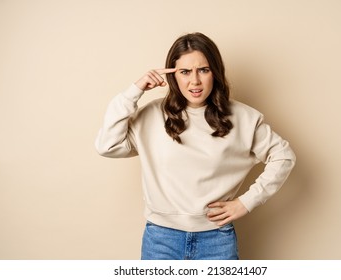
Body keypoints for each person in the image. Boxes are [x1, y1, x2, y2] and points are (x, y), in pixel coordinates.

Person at [95, 32, 296, 260]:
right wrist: (135, 90)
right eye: (185, 72)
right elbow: (107, 145)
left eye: (203, 70)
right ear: (173, 75)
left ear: (216, 72)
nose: (195, 81)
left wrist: (246, 202)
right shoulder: (151, 115)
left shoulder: (243, 117)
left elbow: (283, 157)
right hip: (161, 239)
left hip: (217, 239)